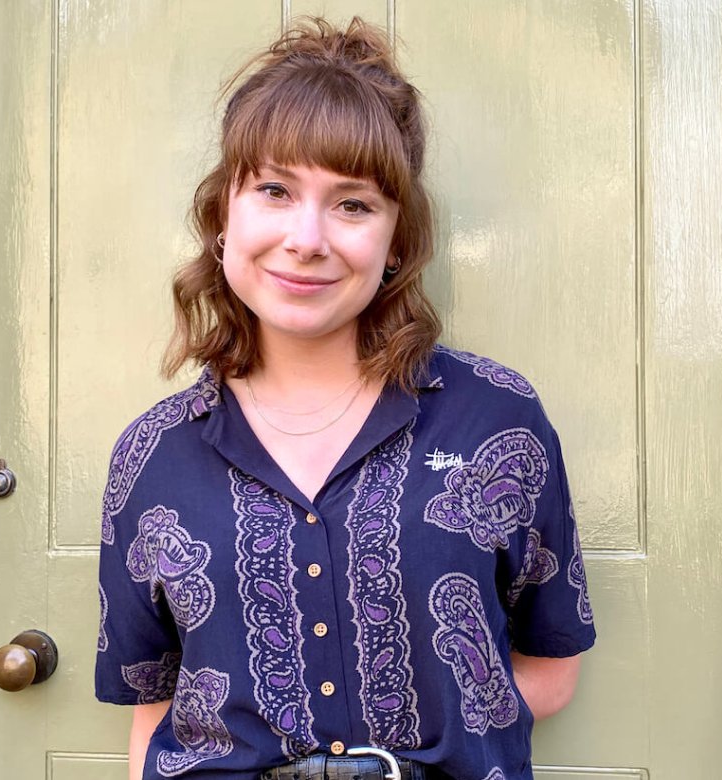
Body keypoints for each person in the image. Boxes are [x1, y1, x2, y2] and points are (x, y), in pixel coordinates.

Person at [95, 16, 596, 780]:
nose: (307, 237)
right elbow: (155, 714)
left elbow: (551, 671)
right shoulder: (150, 456)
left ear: (396, 239)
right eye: (273, 189)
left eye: (353, 204)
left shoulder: (498, 419)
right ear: (222, 217)